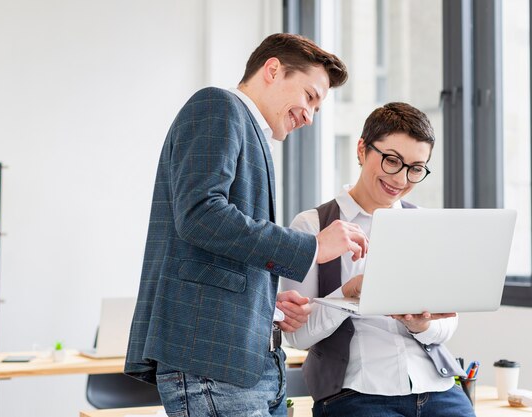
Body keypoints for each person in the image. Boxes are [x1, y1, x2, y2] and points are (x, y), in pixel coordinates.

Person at [124, 33, 369, 417]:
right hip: (213, 358)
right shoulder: (218, 106)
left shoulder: (252, 132)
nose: (309, 115)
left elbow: (219, 249)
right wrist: (314, 247)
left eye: (317, 109)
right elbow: (201, 215)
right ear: (273, 69)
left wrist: (264, 302)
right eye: (309, 96)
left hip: (248, 364)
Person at [281, 102, 476, 417]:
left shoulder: (425, 224)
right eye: (391, 161)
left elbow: (448, 322)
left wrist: (422, 324)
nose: (401, 179)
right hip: (356, 393)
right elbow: (298, 335)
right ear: (361, 149)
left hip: (437, 388)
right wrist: (348, 292)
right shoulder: (312, 226)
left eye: (415, 168)